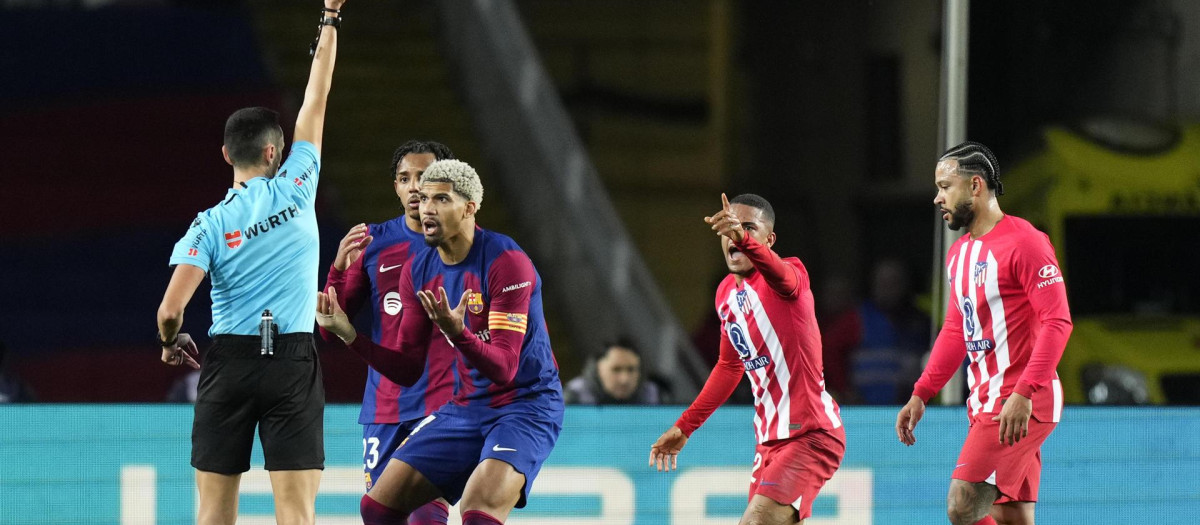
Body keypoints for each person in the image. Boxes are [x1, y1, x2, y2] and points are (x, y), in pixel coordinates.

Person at [154, 2, 345, 523]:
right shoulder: (299, 185)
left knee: (213, 514)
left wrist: (172, 344)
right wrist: (329, 16)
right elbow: (316, 97)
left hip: (230, 364)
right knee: (296, 515)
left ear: (225, 155)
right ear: (274, 154)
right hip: (292, 361)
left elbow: (170, 310)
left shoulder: (207, 225)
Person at [316, 159, 563, 525]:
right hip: (466, 407)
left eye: (442, 199)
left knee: (478, 510)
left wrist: (458, 333)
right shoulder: (419, 268)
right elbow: (406, 368)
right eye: (426, 198)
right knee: (377, 508)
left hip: (525, 405)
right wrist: (349, 334)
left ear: (470, 207)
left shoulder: (506, 261)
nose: (427, 207)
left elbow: (505, 367)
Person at [895, 141, 1072, 525]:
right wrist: (921, 393)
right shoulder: (959, 254)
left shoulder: (1026, 242)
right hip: (986, 402)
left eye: (945, 187)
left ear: (975, 186)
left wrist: (1023, 394)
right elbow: (956, 329)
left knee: (962, 505)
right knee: (1011, 517)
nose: (937, 198)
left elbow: (1058, 322)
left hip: (1020, 401)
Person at [650, 193, 845, 525]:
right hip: (768, 443)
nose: (735, 236)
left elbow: (779, 273)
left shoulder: (791, 277)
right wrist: (685, 427)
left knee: (755, 522)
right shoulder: (726, 293)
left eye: (747, 228)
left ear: (769, 239)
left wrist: (742, 237)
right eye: (729, 229)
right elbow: (729, 367)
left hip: (810, 434)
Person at [319, 140, 457, 523]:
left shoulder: (465, 245)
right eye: (404, 178)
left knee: (425, 515)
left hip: (441, 404)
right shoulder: (374, 242)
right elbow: (332, 332)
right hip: (385, 407)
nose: (414, 187)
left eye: (424, 177)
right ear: (395, 186)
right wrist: (338, 269)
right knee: (382, 515)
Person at [849, 258, 930, 404]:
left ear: (906, 285)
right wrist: (845, 391)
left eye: (894, 282)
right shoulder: (856, 318)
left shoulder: (922, 322)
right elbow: (832, 356)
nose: (887, 288)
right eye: (882, 282)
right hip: (861, 410)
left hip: (910, 408)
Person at [564, 337, 664, 405]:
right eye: (616, 369)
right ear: (599, 369)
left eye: (631, 370)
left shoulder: (653, 397)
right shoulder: (575, 396)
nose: (624, 379)